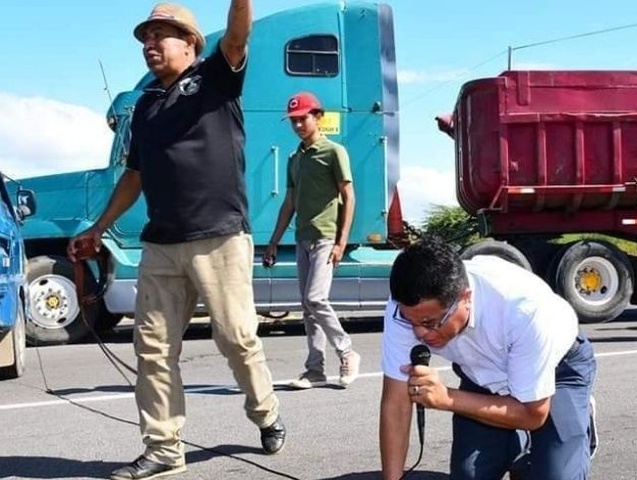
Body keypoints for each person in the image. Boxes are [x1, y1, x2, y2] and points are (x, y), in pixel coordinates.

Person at [67, 3, 286, 479]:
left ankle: (266, 411)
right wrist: (98, 227)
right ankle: (165, 450)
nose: (151, 44)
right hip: (162, 245)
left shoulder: (215, 80)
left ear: (190, 43)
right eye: (147, 37)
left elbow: (237, 34)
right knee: (152, 350)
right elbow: (135, 176)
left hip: (220, 237)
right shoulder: (145, 106)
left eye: (161, 35)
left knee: (236, 339)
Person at [379, 236, 597, 480]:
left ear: (465, 297)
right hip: (483, 376)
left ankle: (572, 422)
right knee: (468, 476)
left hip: (557, 371)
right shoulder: (406, 308)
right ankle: (516, 445)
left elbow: (533, 415)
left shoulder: (524, 311)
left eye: (430, 323)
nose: (419, 332)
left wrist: (447, 398)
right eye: (412, 322)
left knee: (555, 476)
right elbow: (396, 403)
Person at [264, 91, 361, 389]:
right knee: (307, 307)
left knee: (316, 298)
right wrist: (273, 242)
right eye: (293, 121)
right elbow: (289, 203)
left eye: (302, 119)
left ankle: (346, 351)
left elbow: (349, 196)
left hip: (325, 236)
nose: (297, 125)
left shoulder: (334, 152)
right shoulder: (295, 158)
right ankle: (315, 370)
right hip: (302, 238)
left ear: (317, 117)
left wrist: (341, 241)